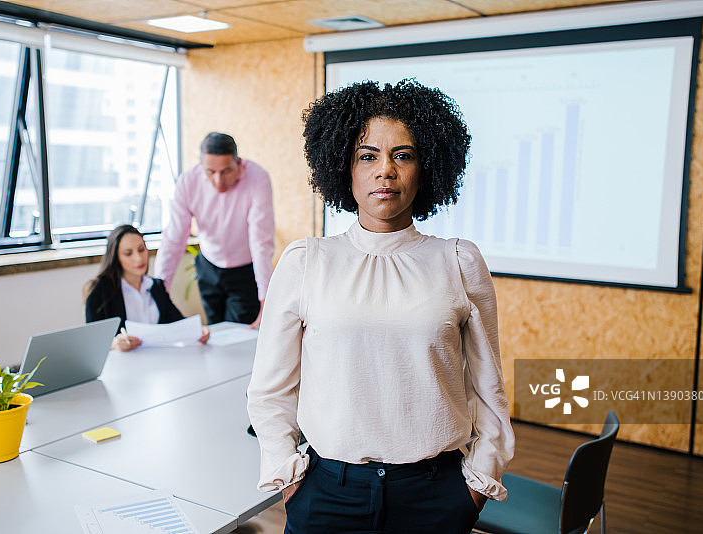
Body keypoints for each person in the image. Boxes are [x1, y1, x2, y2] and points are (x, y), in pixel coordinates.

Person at [247, 80, 515, 534]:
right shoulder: (307, 261)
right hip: (327, 491)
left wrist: (475, 485)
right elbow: (270, 390)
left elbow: (490, 389)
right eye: (367, 155)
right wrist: (289, 477)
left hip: (435, 493)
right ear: (343, 168)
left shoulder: (458, 261)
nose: (385, 171)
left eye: (403, 155)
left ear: (425, 167)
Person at [154, 132, 274, 328]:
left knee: (238, 335)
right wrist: (158, 292)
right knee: (215, 331)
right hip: (207, 266)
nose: (218, 181)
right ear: (201, 166)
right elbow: (174, 239)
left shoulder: (258, 178)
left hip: (244, 271)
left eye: (226, 171)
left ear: (239, 163)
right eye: (210, 172)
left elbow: (260, 241)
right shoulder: (188, 182)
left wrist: (266, 302)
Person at [85, 224, 210, 352]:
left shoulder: (156, 287)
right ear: (116, 258)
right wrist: (114, 345)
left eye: (141, 250)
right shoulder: (100, 292)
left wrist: (197, 331)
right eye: (128, 254)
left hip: (159, 362)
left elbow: (178, 324)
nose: (138, 258)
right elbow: (91, 343)